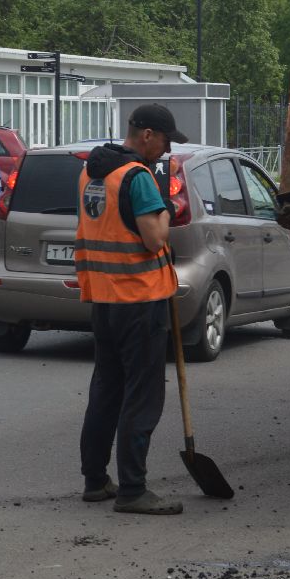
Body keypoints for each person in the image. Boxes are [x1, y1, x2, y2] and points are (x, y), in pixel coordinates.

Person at [76, 103, 188, 516]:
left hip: (103, 300)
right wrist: (168, 208)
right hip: (138, 300)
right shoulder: (137, 177)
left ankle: (94, 480)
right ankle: (133, 489)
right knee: (142, 396)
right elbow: (153, 238)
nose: (164, 150)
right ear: (146, 135)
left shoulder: (91, 171)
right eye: (163, 141)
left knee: (106, 389)